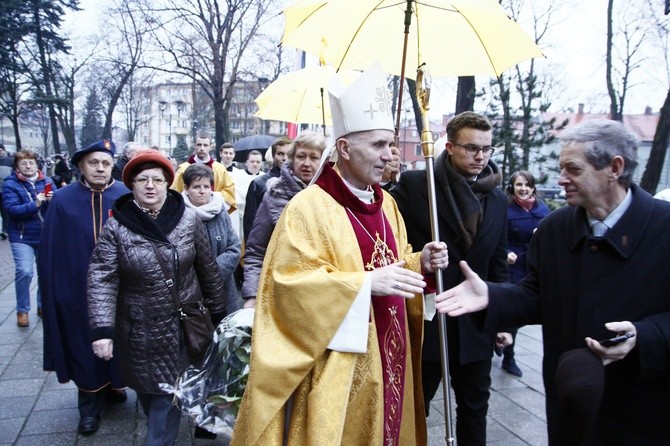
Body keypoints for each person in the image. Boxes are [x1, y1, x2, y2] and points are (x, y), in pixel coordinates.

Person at [231, 64, 448, 446]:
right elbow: (287, 287)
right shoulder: (308, 208)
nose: (390, 156)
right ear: (344, 148)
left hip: (391, 351)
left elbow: (391, 268)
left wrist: (420, 264)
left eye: (391, 145)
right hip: (340, 365)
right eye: (378, 145)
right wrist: (363, 285)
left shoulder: (386, 206)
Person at [435, 119, 670, 445]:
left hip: (645, 410)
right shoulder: (554, 229)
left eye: (573, 169)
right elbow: (539, 295)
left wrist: (644, 337)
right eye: (561, 168)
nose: (561, 179)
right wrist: (491, 295)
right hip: (570, 406)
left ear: (614, 168)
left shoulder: (665, 228)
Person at [87, 149, 225, 446]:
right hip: (139, 330)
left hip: (182, 328)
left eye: (157, 180)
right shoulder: (117, 227)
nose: (150, 186)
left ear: (168, 184)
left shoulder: (188, 220)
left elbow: (208, 269)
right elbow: (102, 278)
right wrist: (102, 330)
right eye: (142, 180)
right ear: (132, 186)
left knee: (166, 401)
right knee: (150, 396)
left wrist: (218, 314)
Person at [390, 111, 510, 445]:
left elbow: (498, 264)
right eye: (471, 148)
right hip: (430, 317)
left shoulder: (498, 199)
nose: (480, 156)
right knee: (415, 406)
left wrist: (504, 320)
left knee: (474, 409)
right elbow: (387, 233)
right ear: (450, 145)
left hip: (476, 324)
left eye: (486, 148)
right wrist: (384, 182)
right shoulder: (417, 184)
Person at [38, 140, 128, 435]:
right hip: (76, 289)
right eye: (93, 163)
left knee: (120, 341)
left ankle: (114, 385)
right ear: (81, 166)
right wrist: (54, 290)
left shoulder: (126, 196)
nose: (100, 168)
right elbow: (50, 249)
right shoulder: (63, 200)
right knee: (83, 344)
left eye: (105, 162)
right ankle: (89, 407)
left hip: (119, 287)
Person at [241, 132, 325, 309]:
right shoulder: (274, 196)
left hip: (323, 296)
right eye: (301, 156)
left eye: (314, 157)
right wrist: (252, 295)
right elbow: (256, 250)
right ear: (292, 159)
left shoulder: (332, 198)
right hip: (283, 295)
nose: (307, 163)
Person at [499, 170, 550, 377]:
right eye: (519, 184)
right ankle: (508, 356)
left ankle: (502, 339)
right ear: (512, 187)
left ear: (533, 187)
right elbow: (498, 236)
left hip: (533, 266)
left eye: (527, 185)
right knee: (513, 311)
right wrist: (506, 252)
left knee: (521, 313)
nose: (523, 188)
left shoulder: (542, 209)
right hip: (513, 266)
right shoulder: (506, 208)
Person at [3, 149, 55, 326]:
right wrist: (36, 203)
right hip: (22, 236)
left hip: (45, 235)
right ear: (17, 167)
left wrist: (52, 200)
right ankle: (22, 310)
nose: (28, 166)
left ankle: (42, 305)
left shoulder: (47, 181)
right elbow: (12, 210)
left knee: (45, 273)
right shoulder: (11, 184)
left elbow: (58, 208)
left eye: (31, 162)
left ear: (37, 164)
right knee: (25, 271)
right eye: (23, 163)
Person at [182, 163, 241, 315]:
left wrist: (213, 274)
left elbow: (234, 247)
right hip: (192, 292)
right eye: (196, 187)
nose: (202, 191)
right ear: (186, 188)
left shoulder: (220, 211)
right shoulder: (179, 215)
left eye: (206, 186)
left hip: (224, 288)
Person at [171, 132, 236, 214]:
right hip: (187, 213)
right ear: (194, 146)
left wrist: (213, 198)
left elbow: (229, 192)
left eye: (205, 145)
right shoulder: (183, 169)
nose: (202, 148)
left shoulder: (220, 169)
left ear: (211, 147)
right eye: (199, 145)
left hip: (214, 213)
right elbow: (174, 193)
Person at [242, 136, 292, 241]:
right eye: (280, 154)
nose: (284, 158)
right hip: (265, 240)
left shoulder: (299, 182)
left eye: (288, 154)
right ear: (274, 156)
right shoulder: (258, 183)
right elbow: (250, 221)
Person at [0, 143, 14, 240]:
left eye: (0, 150)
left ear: (3, 150)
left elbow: (14, 175)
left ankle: (5, 231)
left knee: (5, 211)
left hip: (5, 190)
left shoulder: (10, 161)